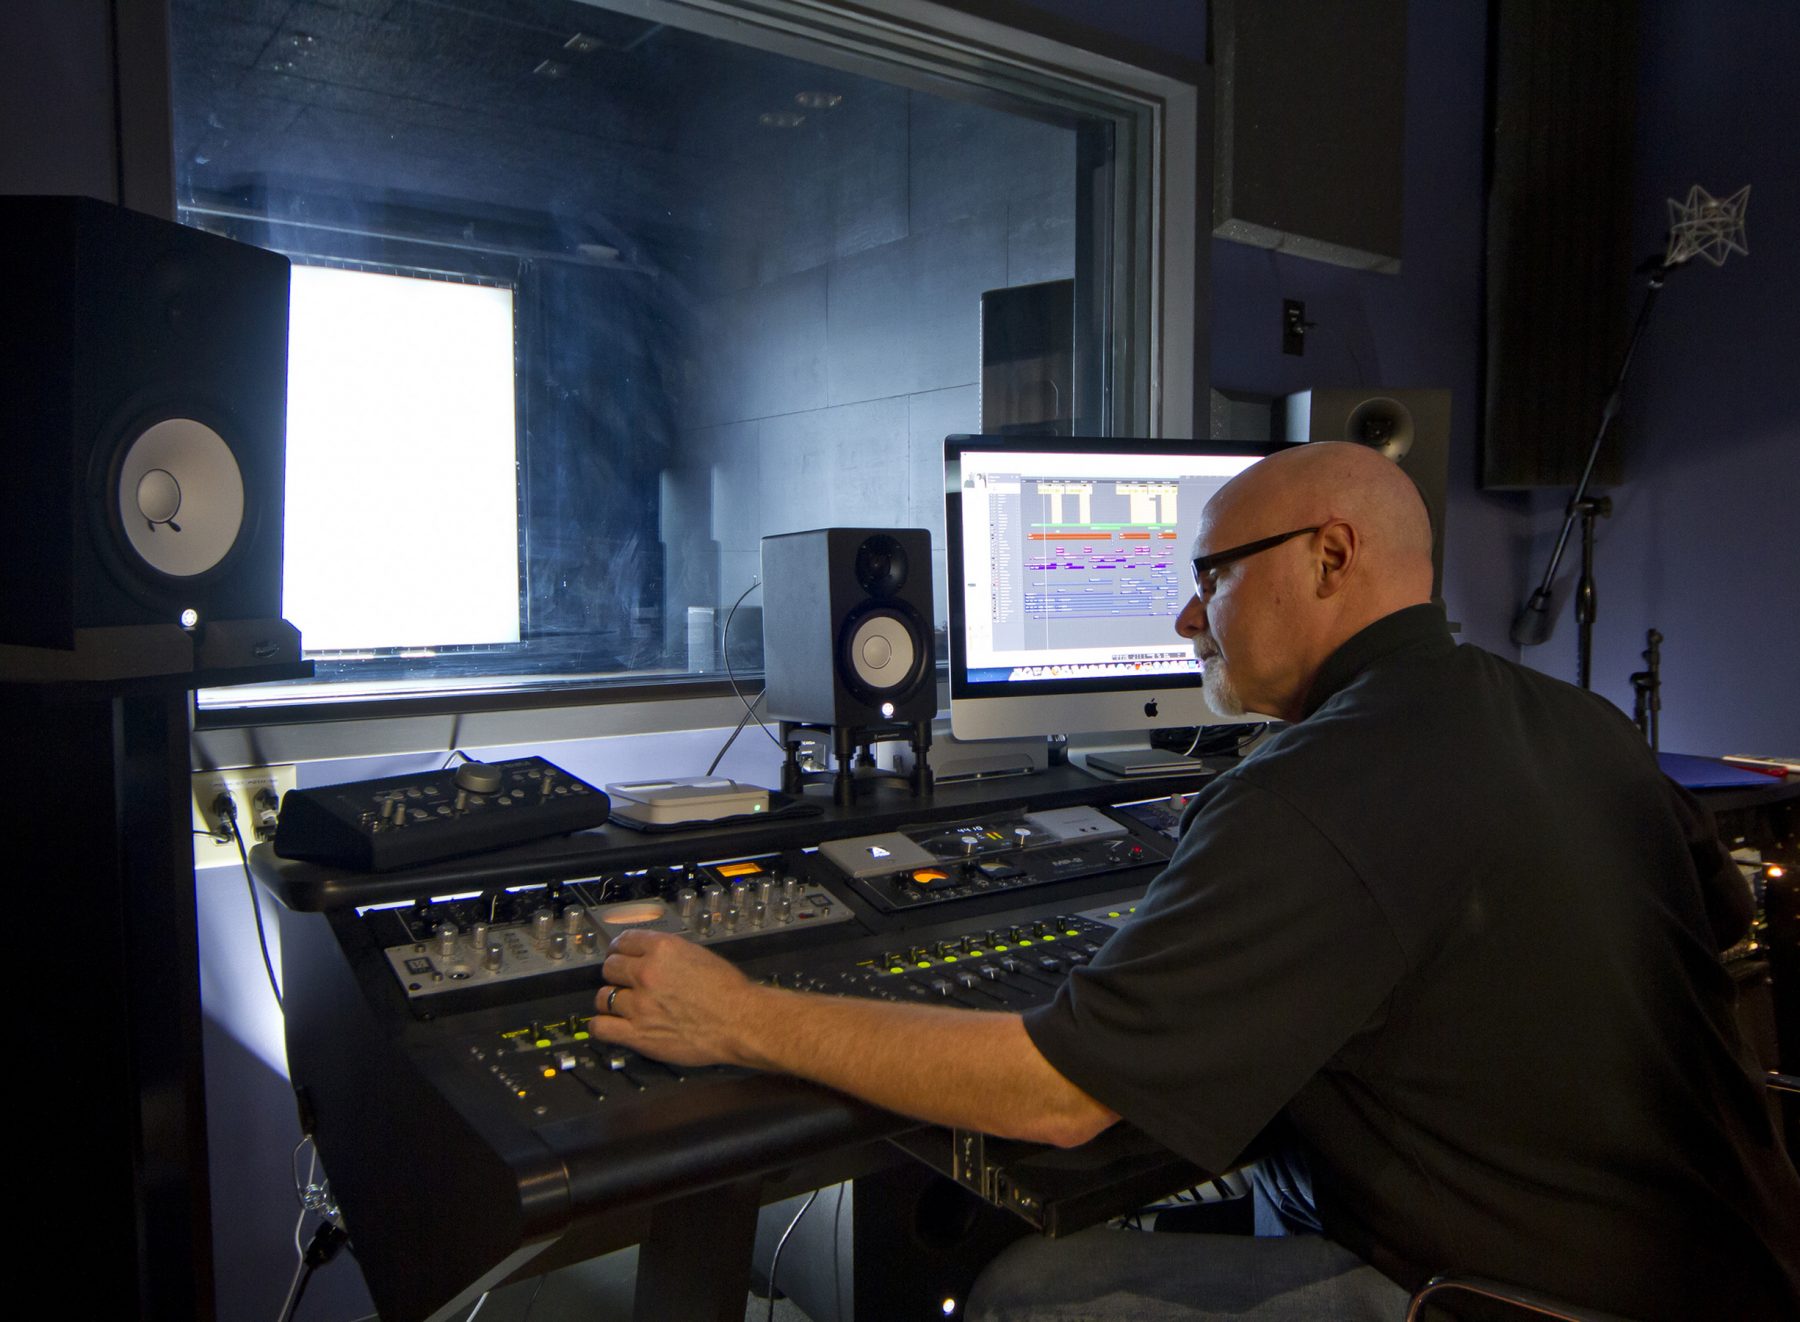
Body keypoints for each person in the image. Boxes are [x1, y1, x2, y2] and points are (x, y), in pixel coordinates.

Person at [588, 442, 1800, 1319]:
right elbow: (1718, 937)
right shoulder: (1583, 726)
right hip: (1731, 1269)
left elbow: (1056, 1096)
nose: (1183, 613)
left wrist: (736, 1012)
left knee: (1035, 1293)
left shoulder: (1317, 786)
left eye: (1211, 570)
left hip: (1512, 1302)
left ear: (1329, 557)